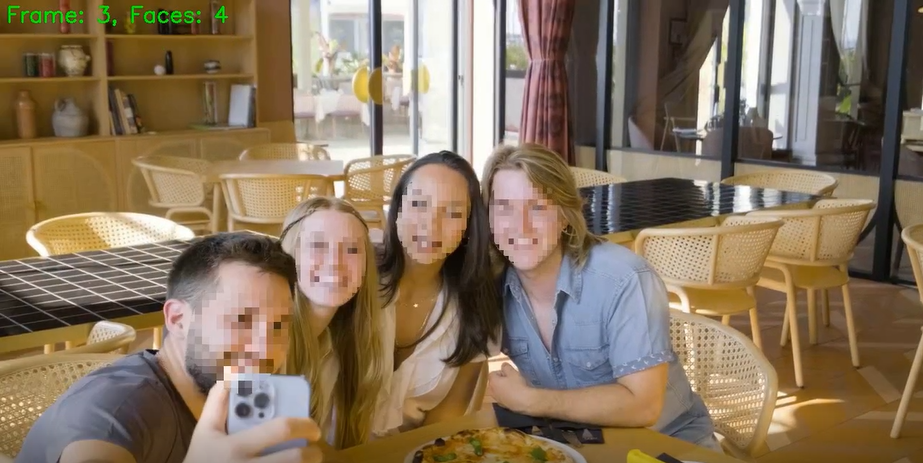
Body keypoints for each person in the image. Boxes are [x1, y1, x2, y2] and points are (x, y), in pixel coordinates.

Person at [481, 143, 721, 452]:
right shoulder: (493, 284)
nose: (520, 225)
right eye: (504, 208)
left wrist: (531, 401)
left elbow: (644, 406)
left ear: (565, 217)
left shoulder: (624, 280)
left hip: (668, 445)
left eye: (537, 207)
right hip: (578, 446)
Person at [16, 232, 324, 463]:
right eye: (241, 320)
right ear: (178, 319)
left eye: (278, 325)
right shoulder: (119, 406)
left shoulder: (236, 396)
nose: (265, 348)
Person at [373, 151, 503, 436]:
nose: (432, 225)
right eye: (419, 204)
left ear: (468, 227)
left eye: (453, 213)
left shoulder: (476, 307)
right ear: (398, 210)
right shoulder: (354, 280)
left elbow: (444, 421)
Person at [280, 197, 387, 449]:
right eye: (317, 245)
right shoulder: (268, 347)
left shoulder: (343, 343)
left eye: (351, 249)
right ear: (290, 255)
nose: (335, 262)